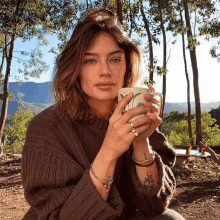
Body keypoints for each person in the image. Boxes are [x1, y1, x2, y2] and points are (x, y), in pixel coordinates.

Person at [21, 8, 185, 220]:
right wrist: (109, 149)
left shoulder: (134, 114)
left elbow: (154, 204)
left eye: (115, 59)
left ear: (127, 66)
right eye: (90, 60)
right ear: (75, 68)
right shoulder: (46, 129)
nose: (105, 71)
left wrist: (140, 141)